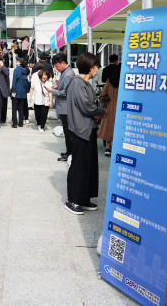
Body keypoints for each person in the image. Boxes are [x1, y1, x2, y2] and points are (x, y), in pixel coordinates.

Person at [64, 52, 106, 215]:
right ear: (90, 67)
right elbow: (87, 107)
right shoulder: (77, 83)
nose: (97, 69)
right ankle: (72, 200)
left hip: (88, 130)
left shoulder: (85, 83)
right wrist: (104, 111)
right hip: (80, 131)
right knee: (79, 166)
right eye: (95, 66)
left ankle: (83, 198)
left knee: (89, 166)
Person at [51, 52, 76, 162]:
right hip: (64, 107)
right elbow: (64, 87)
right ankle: (68, 151)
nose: (56, 68)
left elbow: (65, 92)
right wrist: (57, 87)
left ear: (62, 63)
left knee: (68, 132)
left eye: (56, 65)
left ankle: (70, 153)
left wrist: (52, 91)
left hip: (66, 108)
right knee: (67, 131)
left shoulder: (68, 74)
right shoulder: (65, 72)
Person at [98, 61, 119, 157]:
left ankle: (107, 147)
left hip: (110, 105)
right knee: (119, 127)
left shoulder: (110, 81)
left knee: (109, 126)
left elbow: (103, 93)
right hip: (121, 107)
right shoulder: (125, 82)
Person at [11, 59, 29, 128]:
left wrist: (13, 91)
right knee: (21, 108)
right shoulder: (25, 71)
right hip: (23, 92)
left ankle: (14, 123)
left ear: (19, 63)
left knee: (14, 108)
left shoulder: (16, 70)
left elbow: (14, 81)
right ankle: (21, 123)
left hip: (16, 90)